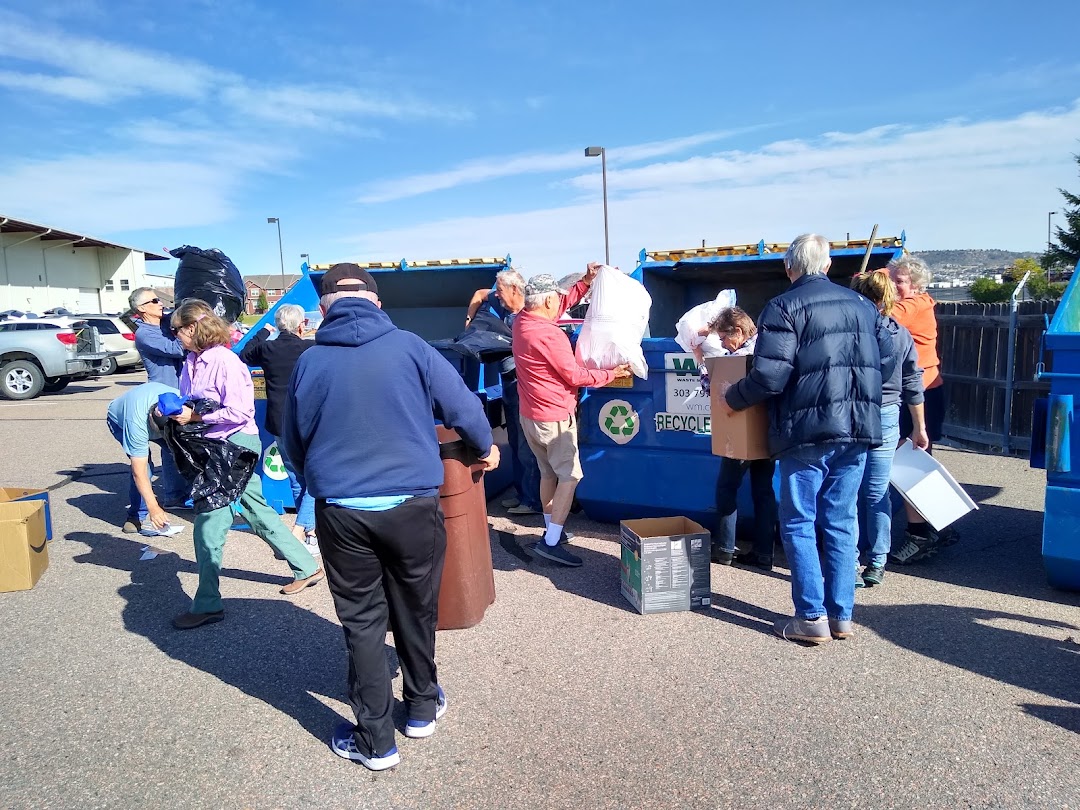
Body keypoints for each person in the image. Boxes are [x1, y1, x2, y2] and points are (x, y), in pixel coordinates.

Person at [281, 263, 500, 771]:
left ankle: (376, 741)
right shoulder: (412, 347)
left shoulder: (310, 363)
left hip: (343, 509)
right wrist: (485, 447)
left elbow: (293, 443)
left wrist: (320, 482)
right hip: (414, 504)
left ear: (326, 307)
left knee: (362, 622)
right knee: (415, 606)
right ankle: (422, 707)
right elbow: (464, 408)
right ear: (378, 303)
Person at [722, 234, 895, 644]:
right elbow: (886, 362)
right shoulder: (865, 306)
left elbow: (769, 375)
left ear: (789, 267)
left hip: (807, 430)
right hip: (858, 426)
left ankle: (810, 617)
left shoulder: (783, 306)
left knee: (799, 521)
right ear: (828, 265)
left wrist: (732, 397)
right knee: (841, 519)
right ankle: (842, 616)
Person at [167, 300, 323, 631]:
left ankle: (207, 603)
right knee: (257, 509)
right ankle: (306, 566)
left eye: (177, 329)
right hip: (215, 445)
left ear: (193, 328)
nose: (175, 335)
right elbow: (188, 400)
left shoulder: (226, 362)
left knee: (209, 521)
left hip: (234, 446)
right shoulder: (192, 361)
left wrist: (195, 416)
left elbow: (239, 412)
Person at [512, 266, 632, 567]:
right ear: (549, 301)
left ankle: (553, 528)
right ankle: (550, 543)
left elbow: (556, 307)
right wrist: (611, 373)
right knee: (571, 475)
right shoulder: (550, 335)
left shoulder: (522, 321)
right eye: (558, 299)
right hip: (554, 417)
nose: (561, 304)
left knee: (548, 474)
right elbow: (575, 374)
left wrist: (585, 283)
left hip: (530, 415)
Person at [849, 270, 929, 587]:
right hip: (886, 415)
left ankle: (850, 557)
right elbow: (913, 382)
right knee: (876, 491)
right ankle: (878, 560)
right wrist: (920, 427)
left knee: (848, 488)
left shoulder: (849, 332)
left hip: (851, 412)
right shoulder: (900, 334)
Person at [701, 307, 779, 570]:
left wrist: (702, 360)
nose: (723, 343)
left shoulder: (737, 357)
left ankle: (724, 548)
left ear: (738, 331)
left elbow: (710, 384)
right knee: (764, 492)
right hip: (767, 432)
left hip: (739, 433)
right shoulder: (770, 348)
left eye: (724, 337)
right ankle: (764, 553)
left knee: (727, 488)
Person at [238, 304, 317, 554]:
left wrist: (265, 330)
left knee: (295, 476)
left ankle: (311, 532)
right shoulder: (308, 348)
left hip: (277, 422)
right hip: (304, 421)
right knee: (316, 480)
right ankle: (300, 530)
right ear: (301, 325)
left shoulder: (268, 348)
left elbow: (244, 353)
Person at [464, 270, 544, 517]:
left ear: (515, 291)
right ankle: (522, 493)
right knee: (516, 441)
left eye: (500, 291)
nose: (496, 296)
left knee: (526, 445)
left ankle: (532, 500)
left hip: (524, 384)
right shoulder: (501, 303)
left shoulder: (529, 313)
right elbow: (479, 294)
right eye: (496, 290)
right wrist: (469, 321)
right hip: (509, 383)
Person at [888, 254, 951, 562]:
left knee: (908, 462)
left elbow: (884, 316)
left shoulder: (914, 305)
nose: (894, 287)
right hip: (917, 391)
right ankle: (934, 524)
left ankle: (919, 533)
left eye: (899, 282)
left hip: (920, 393)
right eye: (892, 281)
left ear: (915, 285)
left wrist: (868, 288)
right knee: (916, 460)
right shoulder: (917, 303)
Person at [106, 381, 190, 534]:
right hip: (119, 420)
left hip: (151, 411)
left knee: (181, 454)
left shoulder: (180, 402)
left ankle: (176, 498)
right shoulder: (136, 425)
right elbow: (140, 472)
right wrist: (154, 508)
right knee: (146, 468)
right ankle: (136, 515)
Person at [128, 288, 185, 388]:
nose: (161, 303)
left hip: (183, 388)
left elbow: (184, 311)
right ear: (142, 308)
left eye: (159, 300)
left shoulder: (165, 323)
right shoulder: (144, 334)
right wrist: (185, 327)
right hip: (165, 391)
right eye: (155, 301)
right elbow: (178, 349)